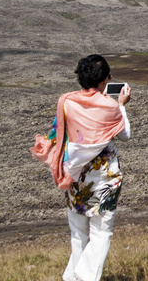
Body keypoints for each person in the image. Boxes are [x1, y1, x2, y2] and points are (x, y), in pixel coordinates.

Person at [31, 54, 132, 281]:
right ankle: (85, 278)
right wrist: (120, 106)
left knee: (78, 233)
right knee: (101, 232)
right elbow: (125, 135)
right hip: (104, 179)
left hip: (74, 176)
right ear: (104, 80)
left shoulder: (66, 101)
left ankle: (73, 278)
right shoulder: (109, 106)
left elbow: (61, 131)